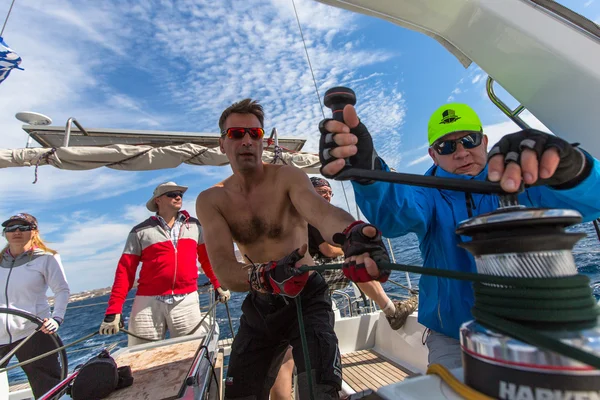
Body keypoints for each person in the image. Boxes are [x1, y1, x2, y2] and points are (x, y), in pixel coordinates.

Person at [319, 102, 600, 369]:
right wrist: (369, 172)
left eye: (469, 140)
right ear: (433, 154)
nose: (462, 152)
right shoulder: (425, 193)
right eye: (447, 145)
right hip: (454, 338)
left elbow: (592, 200)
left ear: (485, 141)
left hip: (543, 330)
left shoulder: (526, 180)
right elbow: (394, 211)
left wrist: (573, 169)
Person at [196, 98, 390, 400]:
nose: (247, 140)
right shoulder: (212, 200)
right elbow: (224, 269)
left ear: (263, 141)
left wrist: (352, 234)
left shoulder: (288, 178)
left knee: (320, 392)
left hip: (307, 296)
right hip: (261, 305)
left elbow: (322, 213)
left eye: (254, 134)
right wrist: (266, 275)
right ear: (223, 143)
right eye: (236, 134)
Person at [269, 176, 418, 400]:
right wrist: (349, 250)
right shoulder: (314, 215)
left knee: (287, 348)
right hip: (311, 277)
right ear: (309, 194)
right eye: (321, 192)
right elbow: (329, 251)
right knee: (356, 266)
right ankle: (391, 310)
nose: (327, 196)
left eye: (329, 192)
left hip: (282, 281)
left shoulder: (289, 217)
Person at [99, 182, 230, 346]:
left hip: (186, 300)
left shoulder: (195, 226)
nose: (178, 197)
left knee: (190, 352)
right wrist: (114, 310)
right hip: (148, 304)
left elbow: (207, 259)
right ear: (158, 200)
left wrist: (219, 284)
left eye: (180, 194)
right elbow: (125, 271)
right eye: (172, 194)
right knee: (142, 356)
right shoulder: (140, 231)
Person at [0, 213, 70, 398]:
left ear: (34, 232)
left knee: (47, 390)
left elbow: (62, 290)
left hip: (33, 333)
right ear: (4, 233)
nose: (17, 231)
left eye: (23, 228)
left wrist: (57, 318)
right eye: (11, 228)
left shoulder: (47, 258)